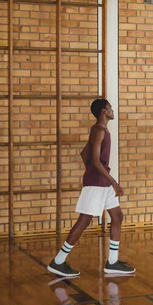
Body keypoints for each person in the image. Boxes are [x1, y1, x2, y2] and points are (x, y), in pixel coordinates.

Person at [47, 99, 135, 277]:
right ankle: (58, 262)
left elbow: (84, 153)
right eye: (110, 107)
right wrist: (114, 181)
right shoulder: (98, 130)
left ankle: (112, 262)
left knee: (117, 216)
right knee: (84, 220)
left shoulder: (101, 131)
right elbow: (94, 159)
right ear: (104, 111)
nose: (112, 110)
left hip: (103, 182)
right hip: (97, 182)